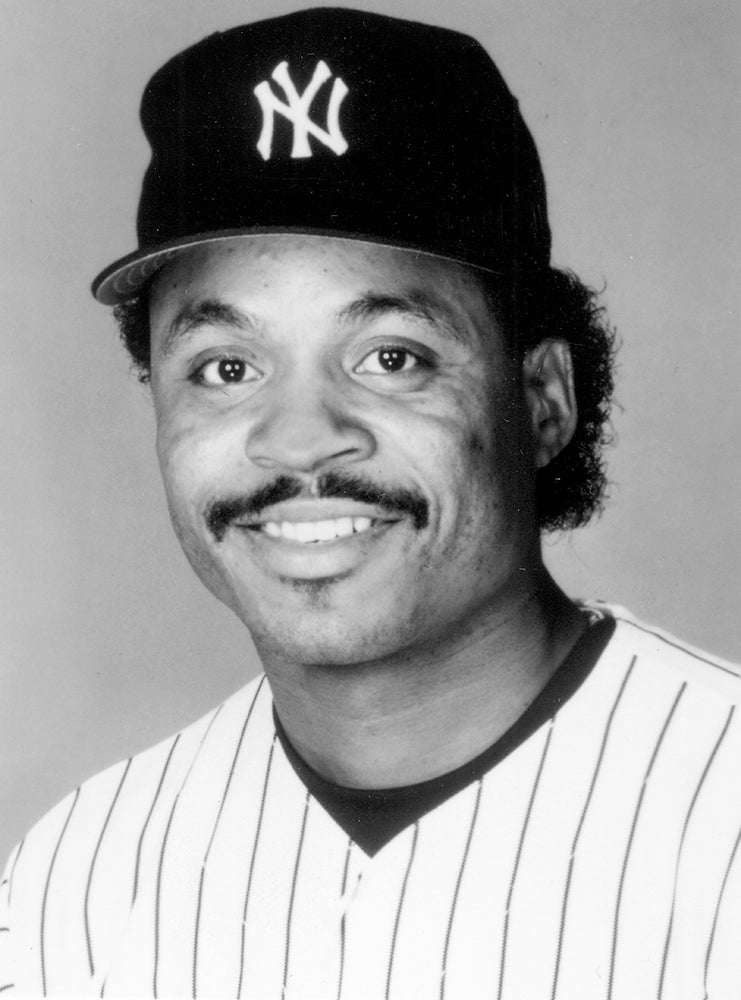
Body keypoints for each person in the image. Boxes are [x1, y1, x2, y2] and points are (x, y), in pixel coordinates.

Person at [1, 7, 739, 998]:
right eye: (226, 366)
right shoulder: (81, 879)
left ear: (543, 399)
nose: (300, 436)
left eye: (391, 357)